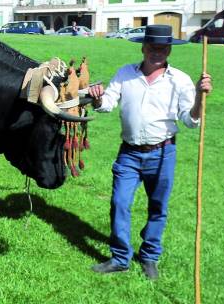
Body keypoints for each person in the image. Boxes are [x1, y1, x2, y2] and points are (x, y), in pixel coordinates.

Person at [87, 24, 212, 280]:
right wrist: (98, 99)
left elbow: (190, 120)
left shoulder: (180, 80)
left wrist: (200, 97)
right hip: (129, 154)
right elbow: (107, 103)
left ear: (169, 50)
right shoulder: (125, 74)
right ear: (143, 48)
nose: (158, 52)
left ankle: (149, 256)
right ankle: (121, 258)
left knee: (158, 207)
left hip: (163, 153)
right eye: (153, 47)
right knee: (119, 203)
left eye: (163, 48)